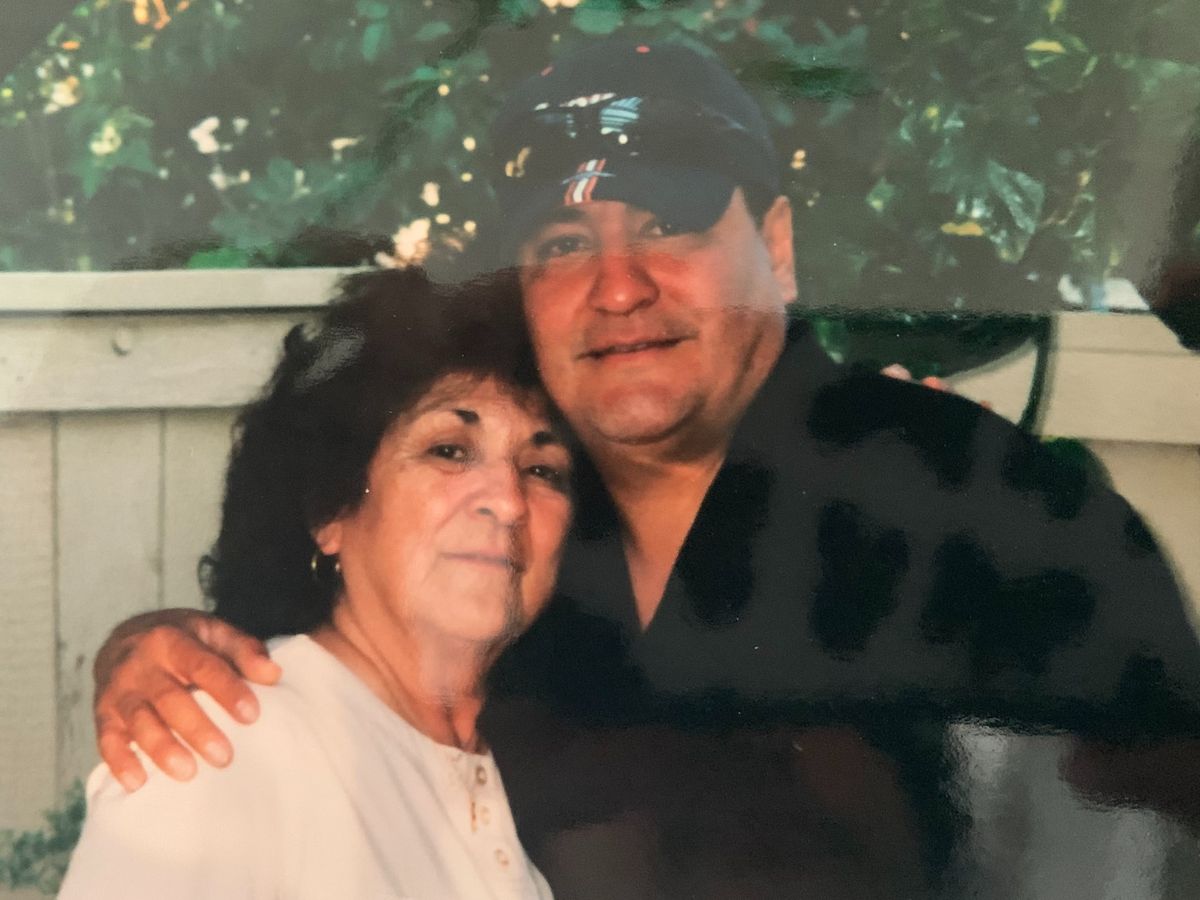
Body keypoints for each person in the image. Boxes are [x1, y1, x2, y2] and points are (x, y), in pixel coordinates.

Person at [89, 40, 1200, 896]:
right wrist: (152, 655)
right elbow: (312, 689)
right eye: (564, 245)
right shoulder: (512, 531)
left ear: (776, 249)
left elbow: (1146, 836)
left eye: (667, 225)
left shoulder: (992, 515)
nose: (617, 287)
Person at [60, 268, 571, 898]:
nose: (510, 502)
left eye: (542, 468)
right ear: (331, 509)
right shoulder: (222, 745)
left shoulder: (522, 764)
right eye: (448, 450)